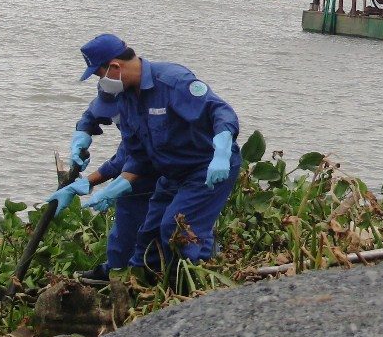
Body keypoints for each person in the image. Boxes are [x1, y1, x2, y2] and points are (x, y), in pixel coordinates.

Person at [48, 33, 241, 281]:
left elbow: (220, 111)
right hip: (170, 174)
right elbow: (137, 156)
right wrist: (102, 187)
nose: (101, 82)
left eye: (100, 75)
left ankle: (188, 286)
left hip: (207, 168)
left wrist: (223, 149)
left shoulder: (172, 80)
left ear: (115, 67)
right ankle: (143, 286)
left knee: (177, 229)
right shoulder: (126, 98)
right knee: (148, 234)